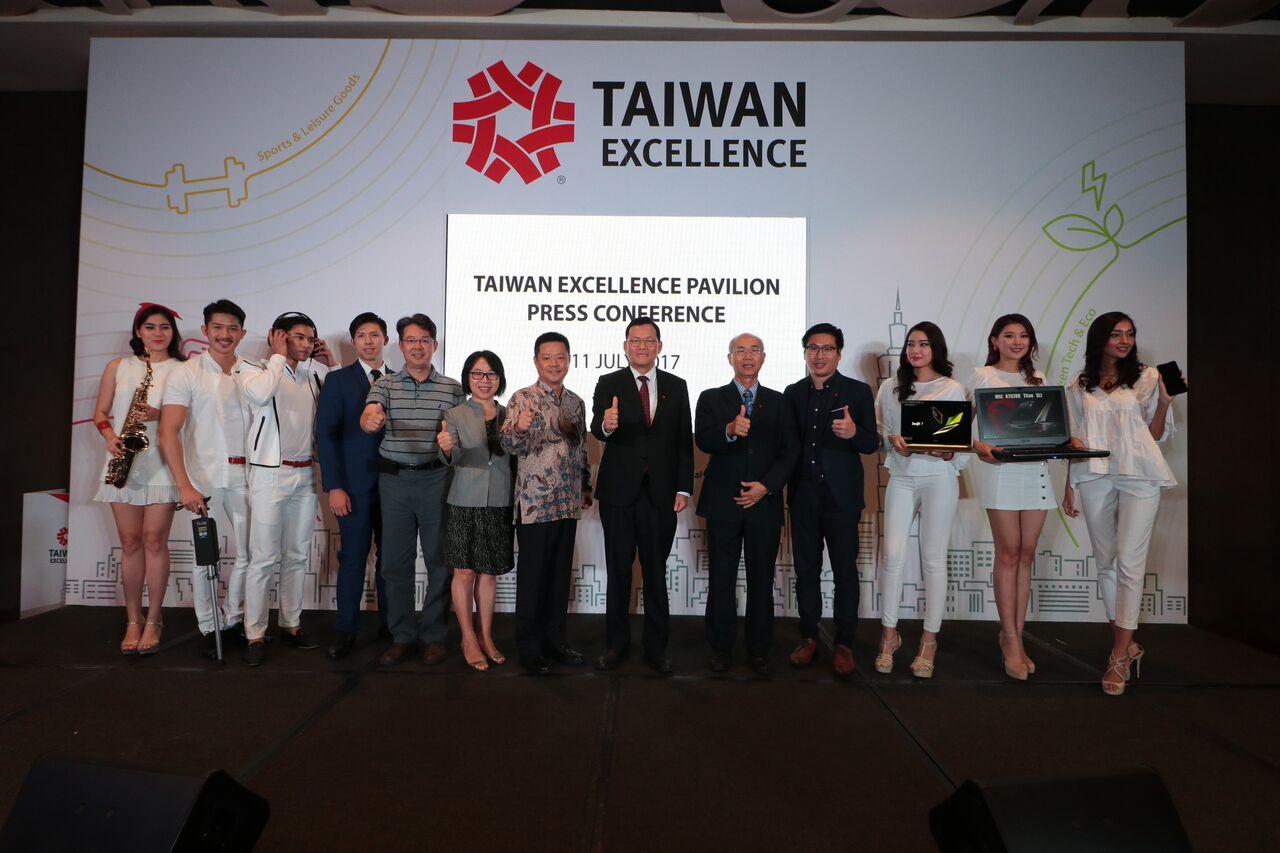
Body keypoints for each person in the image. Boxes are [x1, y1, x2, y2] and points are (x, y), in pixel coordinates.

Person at [1062, 312, 1176, 696]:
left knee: (1129, 560)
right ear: (1100, 339)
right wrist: (1068, 485)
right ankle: (1128, 644)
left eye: (1129, 334)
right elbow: (1073, 439)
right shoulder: (1078, 385)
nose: (1124, 341)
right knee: (1106, 561)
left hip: (1139, 473)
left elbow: (1155, 435)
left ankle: (1118, 655)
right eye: (1115, 334)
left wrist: (1164, 403)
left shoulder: (1148, 377)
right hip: (1092, 474)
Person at [589, 317, 693, 674]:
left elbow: (683, 441)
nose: (643, 347)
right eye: (636, 341)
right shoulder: (609, 382)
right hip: (619, 494)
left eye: (650, 341)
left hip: (661, 496)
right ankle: (616, 646)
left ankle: (656, 648)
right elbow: (597, 429)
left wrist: (683, 487)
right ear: (625, 346)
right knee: (619, 573)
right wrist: (607, 425)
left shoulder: (677, 386)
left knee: (655, 574)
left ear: (660, 347)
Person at [361, 314, 465, 668]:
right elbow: (370, 414)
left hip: (437, 481)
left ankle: (434, 635)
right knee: (395, 564)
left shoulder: (452, 388)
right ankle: (402, 635)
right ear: (400, 345)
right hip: (394, 483)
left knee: (439, 561)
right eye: (411, 340)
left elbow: (460, 440)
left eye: (424, 340)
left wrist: (451, 445)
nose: (418, 346)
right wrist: (370, 419)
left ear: (434, 345)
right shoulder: (385, 385)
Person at [695, 334, 799, 675]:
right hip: (723, 503)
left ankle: (758, 648)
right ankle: (720, 648)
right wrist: (728, 428)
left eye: (754, 350)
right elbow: (704, 439)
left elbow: (790, 451)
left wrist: (766, 486)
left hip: (764, 504)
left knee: (761, 579)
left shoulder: (779, 401)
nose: (747, 356)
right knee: (721, 579)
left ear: (764, 358)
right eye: (740, 350)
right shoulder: (711, 398)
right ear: (730, 358)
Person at [157, 299, 252, 660]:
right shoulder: (186, 373)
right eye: (218, 327)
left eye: (232, 328)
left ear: (241, 333)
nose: (225, 335)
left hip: (247, 476)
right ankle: (209, 625)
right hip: (204, 478)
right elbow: (169, 432)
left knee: (249, 552)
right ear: (205, 330)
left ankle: (236, 618)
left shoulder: (252, 370)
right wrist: (184, 484)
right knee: (205, 557)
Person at [874, 321, 969, 678]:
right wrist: (892, 439)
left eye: (924, 344)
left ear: (936, 349)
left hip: (940, 480)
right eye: (911, 344)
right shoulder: (890, 387)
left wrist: (946, 454)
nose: (916, 350)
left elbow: (962, 443)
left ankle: (929, 640)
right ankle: (889, 635)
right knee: (894, 556)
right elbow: (880, 430)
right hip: (902, 476)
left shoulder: (953, 387)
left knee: (933, 560)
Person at [782, 323, 878, 677]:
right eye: (812, 348)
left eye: (826, 348)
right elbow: (787, 448)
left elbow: (870, 443)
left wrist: (855, 433)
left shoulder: (858, 392)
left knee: (844, 573)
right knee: (805, 571)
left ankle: (844, 643)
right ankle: (808, 638)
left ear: (839, 353)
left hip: (842, 498)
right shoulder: (792, 393)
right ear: (805, 352)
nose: (819, 355)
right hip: (804, 496)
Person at [238, 311, 333, 665]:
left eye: (310, 338)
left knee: (296, 554)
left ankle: (291, 623)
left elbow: (340, 396)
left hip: (305, 474)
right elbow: (260, 396)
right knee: (263, 557)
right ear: (278, 336)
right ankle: (255, 633)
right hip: (268, 474)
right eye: (298, 337)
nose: (306, 344)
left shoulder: (314, 375)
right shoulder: (254, 368)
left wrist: (331, 362)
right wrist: (278, 357)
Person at [93, 303, 187, 655]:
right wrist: (108, 435)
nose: (158, 333)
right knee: (130, 543)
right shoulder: (118, 367)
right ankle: (133, 618)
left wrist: (159, 413)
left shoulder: (184, 369)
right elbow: (100, 413)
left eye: (165, 327)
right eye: (150, 327)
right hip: (123, 460)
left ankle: (155, 619)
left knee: (153, 540)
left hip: (162, 462)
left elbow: (192, 419)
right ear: (138, 332)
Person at [500, 332, 592, 675]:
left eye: (560, 357)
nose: (554, 364)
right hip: (535, 504)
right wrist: (520, 428)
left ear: (569, 360)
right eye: (547, 357)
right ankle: (528, 647)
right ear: (536, 361)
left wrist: (584, 487)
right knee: (533, 579)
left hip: (567, 503)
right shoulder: (522, 398)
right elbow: (508, 444)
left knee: (557, 579)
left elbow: (581, 449)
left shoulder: (576, 402)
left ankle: (556, 642)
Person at [969, 314, 1054, 680]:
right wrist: (978, 445)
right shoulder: (981, 377)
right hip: (1000, 471)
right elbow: (958, 426)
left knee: (1026, 553)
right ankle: (1009, 638)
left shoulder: (1039, 381)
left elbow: (1050, 426)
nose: (1016, 342)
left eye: (1023, 336)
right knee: (1007, 551)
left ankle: (1017, 636)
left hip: (1035, 471)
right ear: (995, 341)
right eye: (1009, 335)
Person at [316, 312, 393, 660]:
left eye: (374, 334)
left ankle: (392, 627)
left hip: (395, 489)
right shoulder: (338, 381)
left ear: (386, 341)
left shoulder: (399, 381)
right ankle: (346, 629)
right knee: (353, 559)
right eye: (361, 335)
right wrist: (334, 486)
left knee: (390, 562)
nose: (368, 341)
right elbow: (326, 437)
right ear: (353, 342)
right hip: (353, 489)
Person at [439, 350, 515, 671]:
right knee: (465, 571)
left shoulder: (510, 413)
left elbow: (516, 452)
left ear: (499, 379)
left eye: (491, 375)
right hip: (464, 500)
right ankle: (467, 637)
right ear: (468, 377)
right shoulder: (455, 414)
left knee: (488, 572)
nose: (484, 381)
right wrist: (446, 448)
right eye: (477, 374)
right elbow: (453, 456)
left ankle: (486, 635)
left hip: (498, 500)